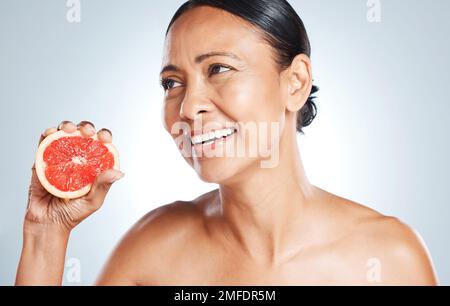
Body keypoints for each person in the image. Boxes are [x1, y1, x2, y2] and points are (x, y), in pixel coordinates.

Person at [15, 0, 438, 285]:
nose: (188, 106)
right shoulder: (153, 250)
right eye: (172, 82)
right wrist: (46, 235)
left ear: (295, 83)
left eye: (218, 68)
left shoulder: (390, 259)